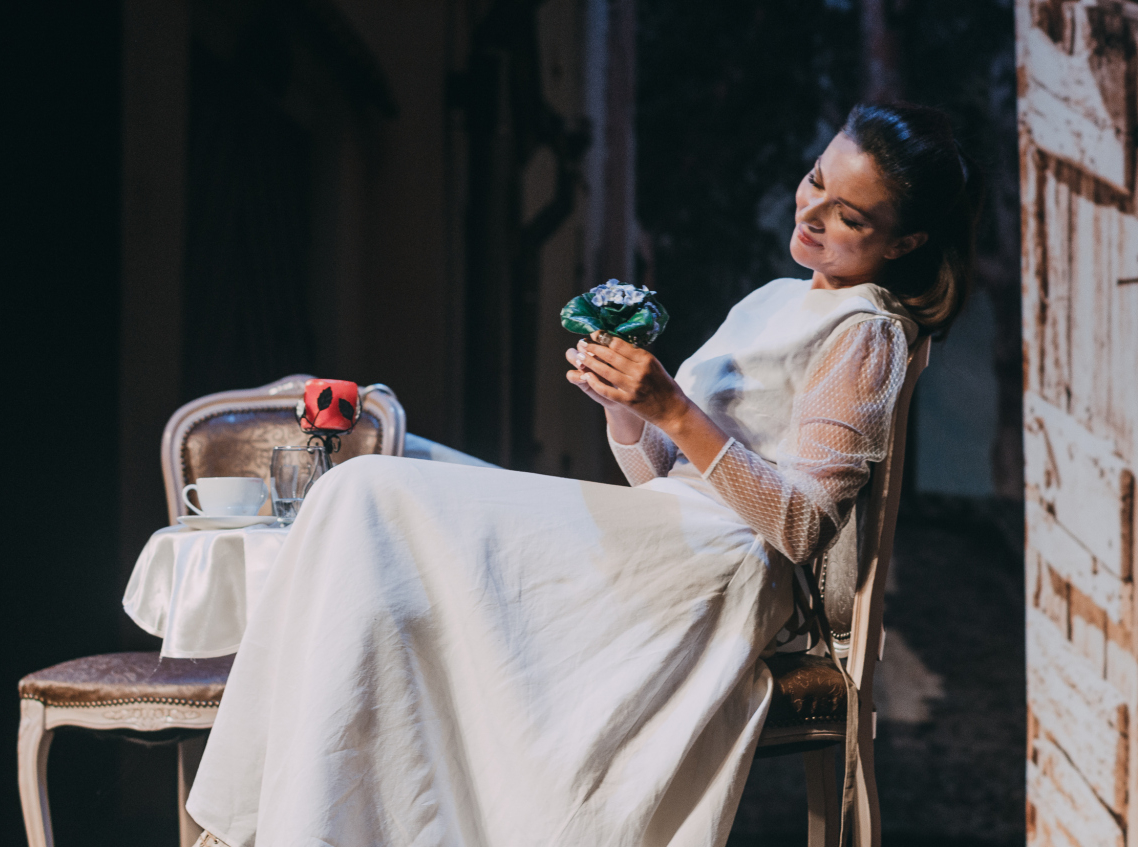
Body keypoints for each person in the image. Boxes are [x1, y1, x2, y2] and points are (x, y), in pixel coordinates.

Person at [186, 102, 980, 847]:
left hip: (720, 568)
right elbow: (659, 475)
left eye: (849, 217)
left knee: (368, 493)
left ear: (903, 242)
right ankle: (307, 818)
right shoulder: (772, 299)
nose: (811, 213)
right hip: (670, 533)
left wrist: (672, 408)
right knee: (359, 492)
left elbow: (801, 526)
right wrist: (627, 410)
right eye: (815, 180)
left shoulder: (867, 332)